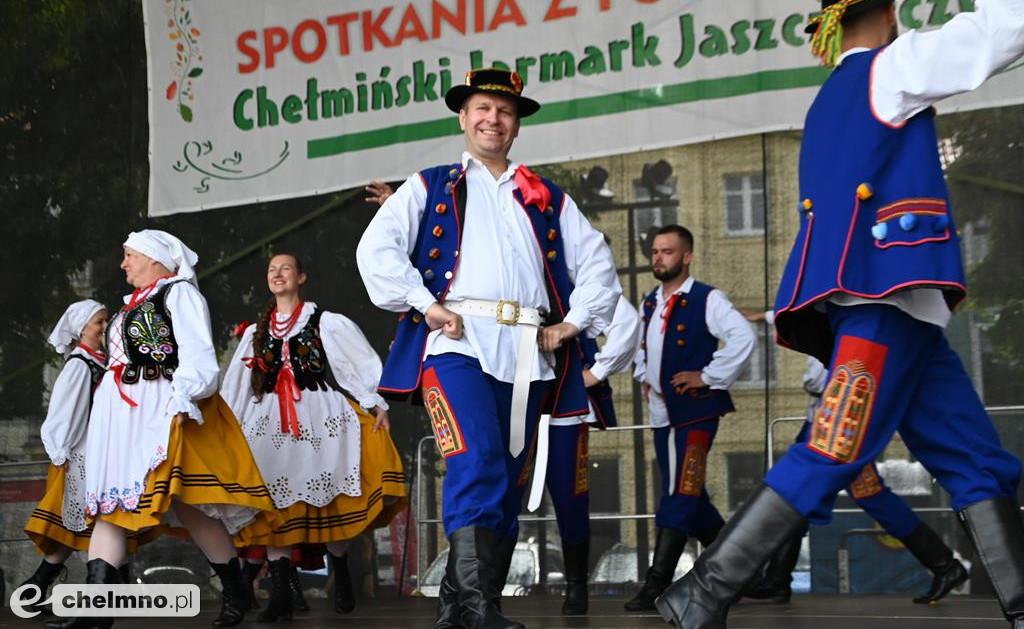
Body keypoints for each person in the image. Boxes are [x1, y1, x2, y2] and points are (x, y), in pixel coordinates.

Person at [656, 0, 1024, 629]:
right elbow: (989, 37)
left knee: (974, 458)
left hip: (893, 308)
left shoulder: (829, 99)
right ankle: (702, 591)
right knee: (832, 446)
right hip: (884, 302)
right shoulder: (892, 68)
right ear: (887, 14)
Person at [357, 67, 620, 629]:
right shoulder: (431, 185)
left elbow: (598, 264)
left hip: (530, 354)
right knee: (476, 462)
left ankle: (458, 602)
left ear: (517, 125)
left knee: (508, 480)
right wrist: (426, 305)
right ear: (463, 117)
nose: (492, 119)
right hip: (456, 345)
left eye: (504, 111)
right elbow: (376, 250)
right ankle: (480, 607)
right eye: (482, 108)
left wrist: (571, 324)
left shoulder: (546, 196)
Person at [54, 230, 277, 629]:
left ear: (154, 258)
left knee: (191, 503)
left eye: (129, 256)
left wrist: (183, 397)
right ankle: (98, 608)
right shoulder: (128, 307)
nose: (123, 264)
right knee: (111, 508)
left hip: (162, 406)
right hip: (121, 415)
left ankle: (236, 591)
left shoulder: (178, 294)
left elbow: (198, 355)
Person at [222, 252, 407, 621]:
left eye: (285, 268)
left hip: (319, 416)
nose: (277, 274)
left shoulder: (324, 321)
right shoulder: (256, 333)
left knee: (331, 501)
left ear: (301, 277)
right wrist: (226, 425)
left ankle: (341, 574)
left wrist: (374, 402)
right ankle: (281, 596)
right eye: (272, 270)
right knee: (274, 504)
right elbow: (237, 384)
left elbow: (357, 362)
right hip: (269, 420)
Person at [742, 312, 966, 604]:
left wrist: (821, 382)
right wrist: (761, 316)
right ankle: (777, 579)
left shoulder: (848, 309)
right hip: (824, 419)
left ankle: (944, 564)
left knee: (853, 493)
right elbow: (796, 311)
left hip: (840, 420)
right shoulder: (825, 304)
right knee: (803, 491)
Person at [622, 225, 755, 612]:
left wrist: (709, 376)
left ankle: (657, 584)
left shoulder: (707, 298)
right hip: (663, 414)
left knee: (680, 493)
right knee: (692, 498)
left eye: (667, 251)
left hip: (695, 412)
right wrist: (645, 376)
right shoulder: (651, 302)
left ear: (686, 257)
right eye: (656, 251)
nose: (658, 257)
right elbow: (643, 347)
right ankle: (746, 569)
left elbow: (743, 337)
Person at [544, 294, 641, 615]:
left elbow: (625, 319)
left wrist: (597, 371)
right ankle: (485, 590)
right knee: (499, 491)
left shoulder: (573, 283)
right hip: (512, 401)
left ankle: (576, 585)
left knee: (570, 497)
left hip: (565, 409)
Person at [20, 300, 108, 611]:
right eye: (99, 322)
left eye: (105, 320)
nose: (104, 327)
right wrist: (60, 452)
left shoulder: (99, 362)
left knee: (89, 529)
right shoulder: (79, 365)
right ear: (82, 327)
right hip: (80, 457)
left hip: (98, 456)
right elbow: (62, 413)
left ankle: (36, 589)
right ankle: (99, 596)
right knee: (85, 527)